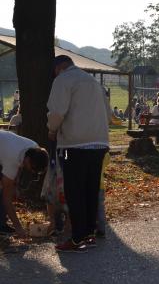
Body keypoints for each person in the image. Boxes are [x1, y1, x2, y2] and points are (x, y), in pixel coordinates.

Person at [47, 55, 112, 252]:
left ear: (59, 68)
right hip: (99, 143)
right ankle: (90, 233)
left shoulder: (63, 80)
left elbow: (57, 112)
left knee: (74, 191)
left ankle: (77, 237)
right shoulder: (93, 82)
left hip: (73, 145)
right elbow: (108, 114)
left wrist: (52, 129)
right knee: (91, 189)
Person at [0, 131, 48, 237]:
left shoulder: (35, 148)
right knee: (4, 191)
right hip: (4, 150)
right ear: (28, 160)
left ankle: (1, 224)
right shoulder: (11, 158)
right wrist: (19, 228)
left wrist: (15, 185)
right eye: (32, 169)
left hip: (4, 147)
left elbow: (20, 165)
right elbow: (6, 198)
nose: (31, 172)